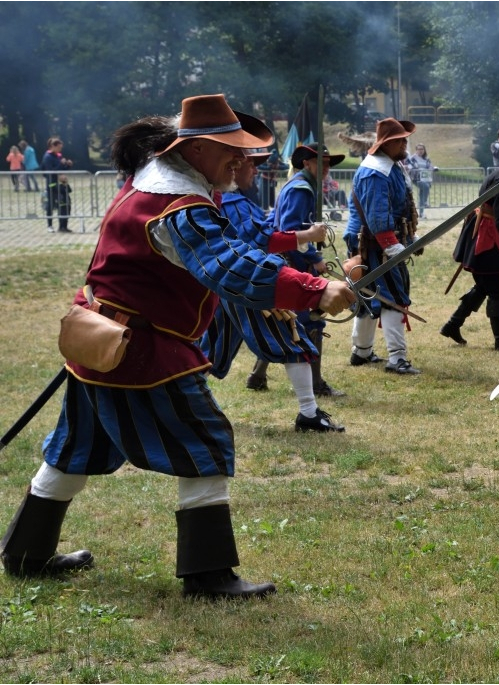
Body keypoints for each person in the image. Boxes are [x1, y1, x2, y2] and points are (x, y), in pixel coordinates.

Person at [0, 94, 356, 599]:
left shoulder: (154, 185)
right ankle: (208, 576)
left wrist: (300, 266)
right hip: (142, 351)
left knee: (75, 448)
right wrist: (315, 292)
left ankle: (25, 553)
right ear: (193, 149)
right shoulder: (176, 203)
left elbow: (232, 241)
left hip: (104, 338)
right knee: (205, 442)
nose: (240, 160)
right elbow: (227, 264)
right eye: (228, 150)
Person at [199, 149, 345, 432]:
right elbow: (261, 239)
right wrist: (309, 236)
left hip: (228, 281)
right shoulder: (232, 201)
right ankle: (309, 413)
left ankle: (187, 406)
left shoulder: (236, 199)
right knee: (293, 336)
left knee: (207, 352)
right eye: (249, 165)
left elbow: (263, 228)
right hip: (248, 279)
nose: (254, 171)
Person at [257, 143, 348, 397]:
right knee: (312, 320)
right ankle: (316, 385)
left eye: (328, 163)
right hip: (296, 261)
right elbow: (291, 229)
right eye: (321, 162)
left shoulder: (299, 185)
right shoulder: (301, 189)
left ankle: (257, 375)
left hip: (288, 259)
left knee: (284, 318)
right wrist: (313, 256)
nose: (326, 168)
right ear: (306, 163)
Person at [345, 118, 422, 375]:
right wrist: (393, 247)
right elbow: (378, 218)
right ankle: (397, 358)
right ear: (386, 144)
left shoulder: (387, 165)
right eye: (400, 140)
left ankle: (362, 352)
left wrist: (407, 241)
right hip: (377, 246)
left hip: (379, 243)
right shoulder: (376, 172)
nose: (405, 144)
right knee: (391, 299)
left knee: (369, 297)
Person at [442, 141, 499, 353]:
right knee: (497, 287)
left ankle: (453, 325)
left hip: (483, 229)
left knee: (485, 284)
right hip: (486, 236)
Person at [41, 137, 73, 233]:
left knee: (65, 203)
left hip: (61, 184)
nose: (60, 150)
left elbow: (62, 169)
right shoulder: (47, 157)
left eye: (61, 148)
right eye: (59, 148)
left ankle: (63, 226)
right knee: (50, 205)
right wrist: (60, 164)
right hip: (52, 184)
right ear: (52, 146)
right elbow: (51, 171)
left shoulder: (58, 156)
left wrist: (68, 165)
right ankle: (50, 225)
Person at [405, 143, 436, 217]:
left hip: (426, 179)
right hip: (417, 178)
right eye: (419, 149)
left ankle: (421, 212)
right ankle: (425, 202)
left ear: (424, 150)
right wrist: (408, 168)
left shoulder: (427, 159)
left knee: (423, 192)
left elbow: (430, 166)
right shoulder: (413, 158)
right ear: (416, 150)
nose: (420, 151)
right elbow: (409, 166)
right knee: (426, 187)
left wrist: (434, 168)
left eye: (422, 149)